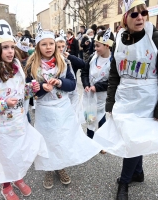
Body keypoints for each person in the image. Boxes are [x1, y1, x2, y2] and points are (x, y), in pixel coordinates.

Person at [93, 1, 158, 199]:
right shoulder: (119, 39)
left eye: (143, 13)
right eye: (134, 14)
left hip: (146, 100)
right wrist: (110, 102)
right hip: (124, 97)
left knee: (132, 139)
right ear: (125, 18)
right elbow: (114, 74)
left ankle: (124, 181)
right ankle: (137, 173)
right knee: (129, 137)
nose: (140, 17)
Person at [0, 20, 48, 200]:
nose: (10, 51)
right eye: (5, 47)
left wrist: (32, 88)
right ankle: (6, 186)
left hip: (18, 121)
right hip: (0, 127)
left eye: (12, 47)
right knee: (4, 156)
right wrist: (4, 103)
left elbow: (20, 93)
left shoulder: (18, 68)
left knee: (18, 152)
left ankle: (17, 177)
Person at [25, 23, 102, 190]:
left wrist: (59, 82)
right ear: (38, 46)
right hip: (45, 110)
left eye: (51, 43)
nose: (48, 47)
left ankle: (60, 166)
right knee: (48, 141)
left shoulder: (63, 62)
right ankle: (48, 168)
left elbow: (72, 84)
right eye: (44, 44)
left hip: (62, 108)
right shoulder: (32, 66)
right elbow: (30, 92)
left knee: (62, 138)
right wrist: (42, 89)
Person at [81, 29, 114, 140]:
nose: (95, 48)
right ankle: (90, 139)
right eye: (94, 45)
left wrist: (98, 87)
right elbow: (84, 72)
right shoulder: (92, 57)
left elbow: (113, 80)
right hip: (90, 95)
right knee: (90, 117)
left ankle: (102, 141)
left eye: (97, 46)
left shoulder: (113, 61)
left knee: (101, 116)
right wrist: (86, 84)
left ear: (107, 45)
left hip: (102, 96)